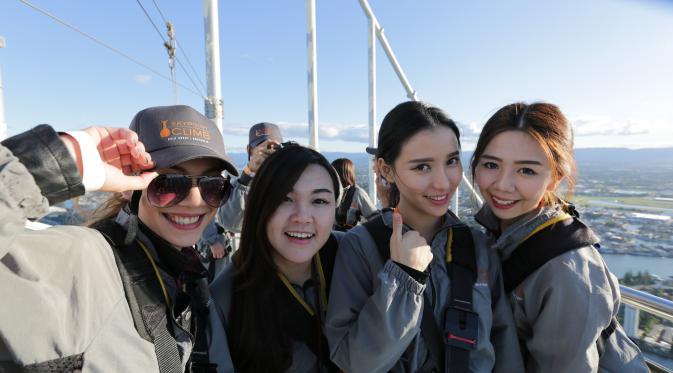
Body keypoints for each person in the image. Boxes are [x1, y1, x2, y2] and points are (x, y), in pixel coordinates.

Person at [0, 105, 237, 372]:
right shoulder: (80, 263)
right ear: (128, 188)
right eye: (170, 183)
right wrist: (66, 157)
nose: (195, 202)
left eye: (212, 186)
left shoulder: (189, 277)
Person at [325, 101, 522, 373]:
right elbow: (355, 362)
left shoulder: (478, 247)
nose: (443, 182)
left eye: (452, 161)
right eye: (422, 167)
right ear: (386, 170)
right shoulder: (361, 247)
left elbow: (504, 350)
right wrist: (403, 276)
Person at [470, 102, 648, 372]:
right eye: (491, 164)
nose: (502, 185)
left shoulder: (565, 269)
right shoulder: (500, 232)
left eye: (526, 170)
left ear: (554, 179)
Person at [208, 145, 343, 373]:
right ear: (260, 206)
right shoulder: (225, 299)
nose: (302, 217)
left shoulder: (355, 262)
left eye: (319, 201)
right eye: (284, 199)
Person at [331, 157, 377, 231]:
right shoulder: (330, 192)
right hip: (330, 238)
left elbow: (375, 218)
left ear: (341, 174)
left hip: (349, 238)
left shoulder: (357, 193)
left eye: (333, 173)